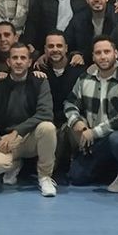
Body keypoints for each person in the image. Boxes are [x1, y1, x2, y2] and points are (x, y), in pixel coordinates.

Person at [64, 36, 118, 189]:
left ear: (116, 54)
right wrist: (77, 121)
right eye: (98, 53)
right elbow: (70, 102)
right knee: (76, 177)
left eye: (107, 52)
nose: (103, 56)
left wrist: (94, 132)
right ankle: (106, 170)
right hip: (94, 142)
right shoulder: (84, 79)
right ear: (93, 57)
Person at [0, 43, 58, 197]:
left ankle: (45, 177)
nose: (19, 61)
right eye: (15, 58)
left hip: (31, 137)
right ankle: (14, 165)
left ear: (29, 62)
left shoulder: (40, 81)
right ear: (8, 62)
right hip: (7, 140)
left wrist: (17, 131)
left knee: (48, 127)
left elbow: (45, 113)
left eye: (23, 58)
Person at [37, 31, 85, 173]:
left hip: (72, 122)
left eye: (59, 45)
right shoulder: (38, 70)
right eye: (51, 46)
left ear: (66, 48)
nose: (55, 49)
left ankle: (78, 159)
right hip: (49, 122)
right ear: (45, 50)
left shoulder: (80, 71)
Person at [65, 0, 117, 64]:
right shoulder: (78, 19)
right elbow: (67, 43)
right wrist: (75, 54)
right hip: (86, 63)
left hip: (112, 63)